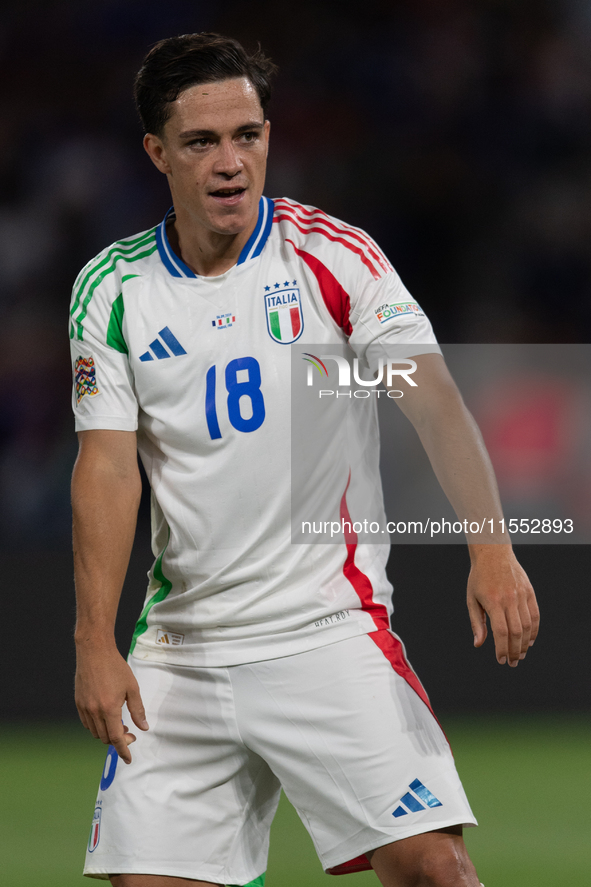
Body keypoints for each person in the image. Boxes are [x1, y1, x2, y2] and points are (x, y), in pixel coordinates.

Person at [70, 33, 539, 887]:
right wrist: (93, 640)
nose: (229, 162)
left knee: (436, 868)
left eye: (247, 135)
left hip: (324, 632)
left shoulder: (333, 257)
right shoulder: (113, 288)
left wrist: (492, 546)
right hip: (180, 650)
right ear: (156, 153)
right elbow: (107, 468)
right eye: (201, 142)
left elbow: (432, 399)